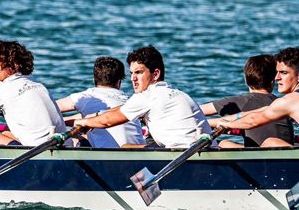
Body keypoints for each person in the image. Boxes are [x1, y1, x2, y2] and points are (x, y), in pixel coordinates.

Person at [73, 45, 211, 149]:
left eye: (139, 72)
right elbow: (118, 110)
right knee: (127, 147)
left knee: (126, 150)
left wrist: (84, 123)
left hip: (186, 157)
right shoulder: (176, 93)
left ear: (155, 74)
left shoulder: (149, 96)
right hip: (202, 150)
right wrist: (92, 119)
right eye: (132, 73)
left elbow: (108, 121)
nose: (133, 78)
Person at [218, 47, 299, 147]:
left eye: (284, 73)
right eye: (277, 73)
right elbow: (262, 111)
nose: (277, 78)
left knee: (270, 142)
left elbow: (254, 120)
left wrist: (228, 125)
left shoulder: (293, 100)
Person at [201, 54, 294, 148]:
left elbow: (197, 111)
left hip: (259, 154)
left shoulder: (241, 101)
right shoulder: (283, 103)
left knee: (224, 143)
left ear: (245, 80)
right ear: (273, 81)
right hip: (285, 148)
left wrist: (208, 124)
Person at [54, 56, 144, 148]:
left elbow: (49, 108)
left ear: (94, 80)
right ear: (119, 82)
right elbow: (97, 114)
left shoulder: (86, 96)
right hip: (138, 153)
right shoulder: (129, 101)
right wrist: (66, 121)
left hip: (107, 156)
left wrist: (60, 122)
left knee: (75, 138)